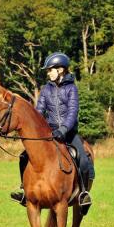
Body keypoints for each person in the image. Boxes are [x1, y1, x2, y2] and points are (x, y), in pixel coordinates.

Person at [10, 52, 94, 214]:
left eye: (50, 70)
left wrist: (63, 129)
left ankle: (83, 193)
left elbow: (72, 112)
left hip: (68, 133)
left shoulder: (71, 89)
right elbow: (38, 112)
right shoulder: (45, 90)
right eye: (48, 71)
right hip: (49, 133)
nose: (48, 73)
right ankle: (24, 191)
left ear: (61, 70)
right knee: (23, 156)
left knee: (83, 158)